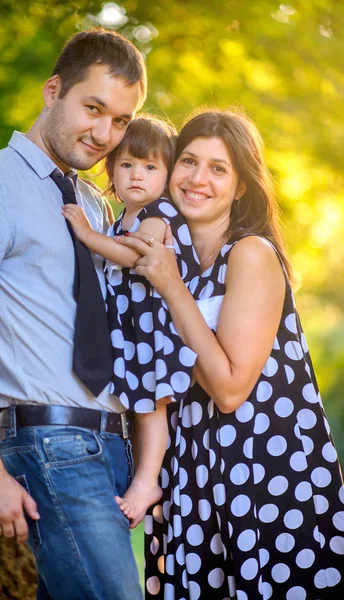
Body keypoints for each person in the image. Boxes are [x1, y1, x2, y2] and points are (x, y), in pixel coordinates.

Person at [0, 28, 147, 600]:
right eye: (93, 108)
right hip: (51, 447)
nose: (105, 134)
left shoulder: (95, 205)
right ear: (52, 90)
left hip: (111, 450)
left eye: (122, 121)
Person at [116, 109, 344, 599]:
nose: (198, 178)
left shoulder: (251, 254)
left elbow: (229, 389)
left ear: (241, 187)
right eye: (189, 162)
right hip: (193, 477)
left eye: (218, 169)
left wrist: (169, 285)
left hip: (263, 479)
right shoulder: (164, 259)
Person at [63, 115, 200, 528]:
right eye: (126, 165)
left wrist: (88, 236)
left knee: (151, 410)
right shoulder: (120, 216)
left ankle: (147, 482)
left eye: (150, 166)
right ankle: (143, 473)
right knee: (139, 409)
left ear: (168, 174)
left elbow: (138, 255)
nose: (137, 175)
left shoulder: (159, 214)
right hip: (135, 334)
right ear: (111, 171)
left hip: (159, 333)